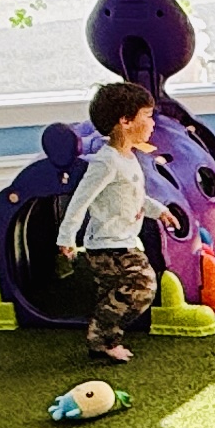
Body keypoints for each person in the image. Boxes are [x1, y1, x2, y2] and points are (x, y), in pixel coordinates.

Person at [61, 79, 163, 365]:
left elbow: (132, 195)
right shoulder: (105, 162)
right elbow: (80, 200)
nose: (152, 124)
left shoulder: (128, 157)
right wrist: (66, 238)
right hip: (108, 245)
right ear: (125, 121)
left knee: (114, 291)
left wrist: (159, 210)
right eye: (147, 116)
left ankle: (103, 341)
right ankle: (101, 336)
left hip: (125, 239)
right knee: (142, 285)